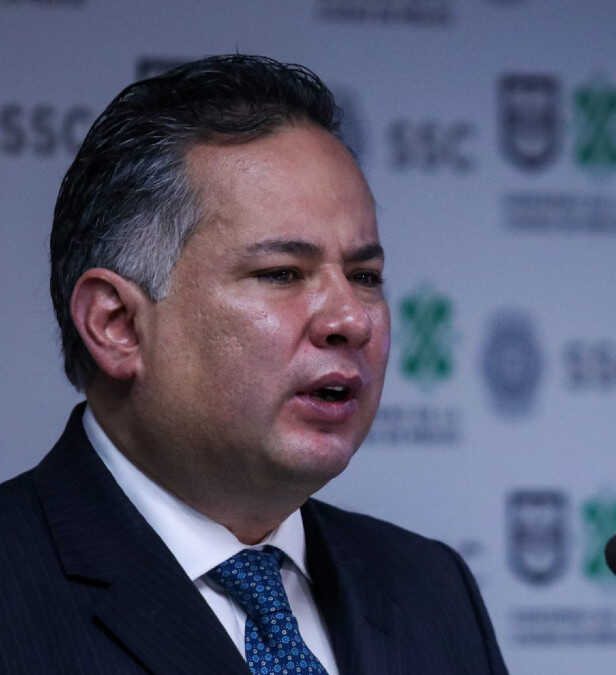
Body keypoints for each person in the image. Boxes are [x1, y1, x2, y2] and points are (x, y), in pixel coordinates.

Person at [0, 54, 508, 674]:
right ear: (118, 325)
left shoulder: (430, 588)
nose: (352, 319)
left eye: (365, 276)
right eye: (282, 274)